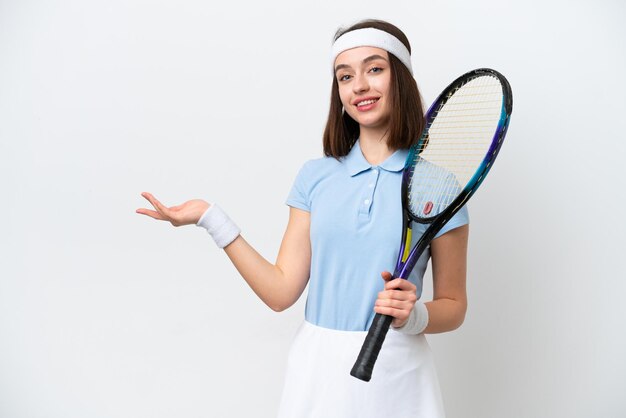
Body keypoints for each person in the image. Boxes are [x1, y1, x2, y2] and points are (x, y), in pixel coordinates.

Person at [136, 19, 469, 418]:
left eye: (375, 69)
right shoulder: (316, 176)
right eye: (345, 76)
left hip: (398, 373)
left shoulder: (438, 186)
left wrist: (414, 316)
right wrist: (211, 218)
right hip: (318, 370)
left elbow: (454, 304)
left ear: (401, 78)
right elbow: (281, 292)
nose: (359, 85)